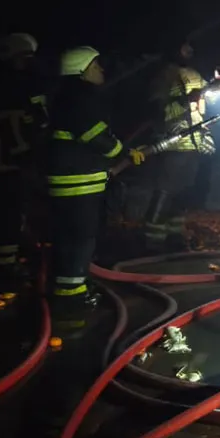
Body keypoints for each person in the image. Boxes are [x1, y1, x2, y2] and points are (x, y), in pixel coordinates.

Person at [46, 47, 144, 328]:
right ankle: (70, 299)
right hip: (79, 182)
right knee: (81, 238)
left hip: (72, 179)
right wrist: (122, 152)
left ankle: (71, 288)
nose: (101, 70)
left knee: (72, 237)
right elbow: (95, 136)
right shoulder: (80, 97)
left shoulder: (67, 96)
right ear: (83, 69)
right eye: (96, 65)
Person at [0, 32, 49, 279]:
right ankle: (1, 270)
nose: (28, 63)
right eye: (24, 58)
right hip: (4, 163)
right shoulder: (10, 86)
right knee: (5, 217)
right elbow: (13, 125)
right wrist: (27, 156)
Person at [142, 41, 216, 252]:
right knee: (165, 190)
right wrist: (184, 100)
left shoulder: (193, 73)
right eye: (184, 47)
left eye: (190, 48)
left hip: (194, 141)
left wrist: (216, 87)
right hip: (172, 141)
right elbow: (157, 108)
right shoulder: (164, 76)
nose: (189, 51)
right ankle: (152, 239)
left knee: (183, 191)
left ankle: (174, 237)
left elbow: (207, 99)